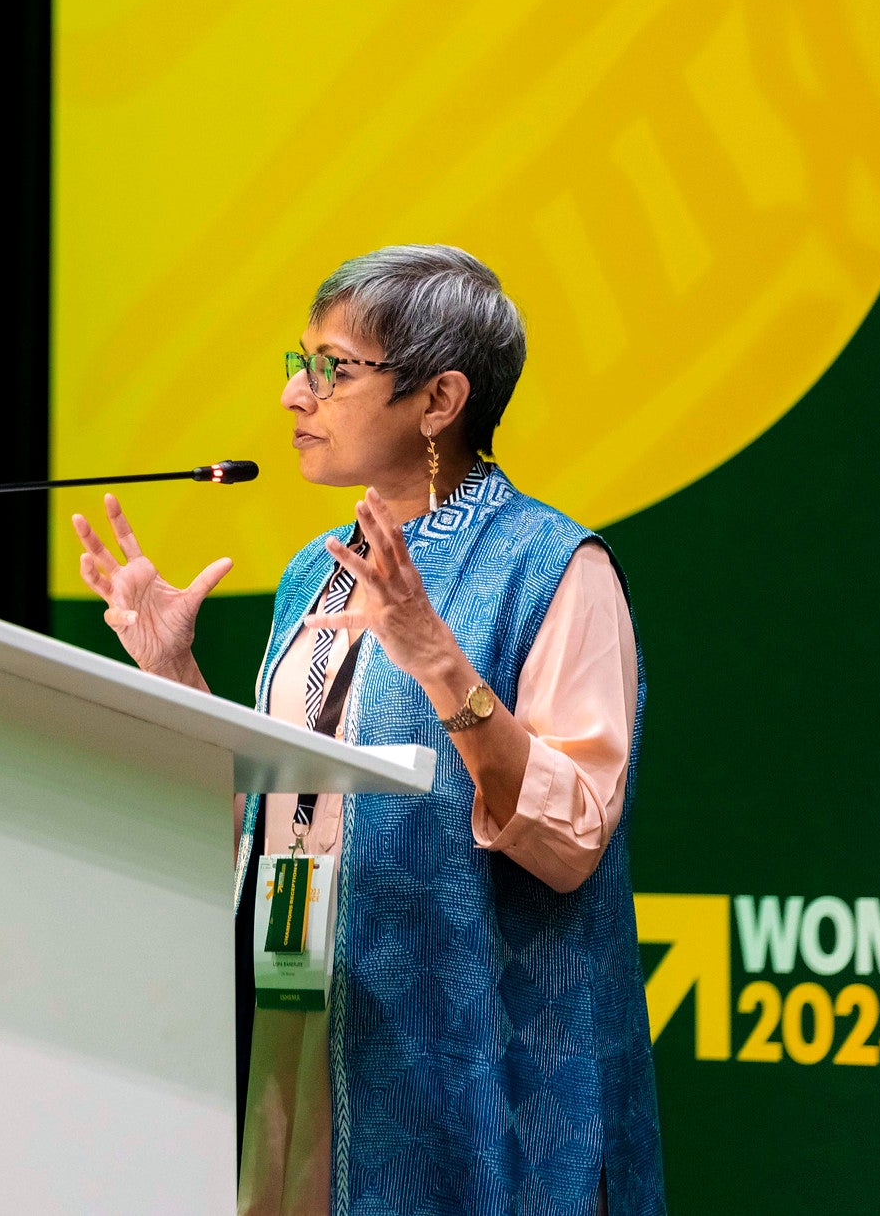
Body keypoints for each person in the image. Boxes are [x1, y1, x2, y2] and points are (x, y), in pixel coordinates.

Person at [71, 245, 662, 1216]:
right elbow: (280, 816)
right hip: (301, 1027)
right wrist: (172, 676)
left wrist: (437, 661)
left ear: (437, 401)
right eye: (295, 364)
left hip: (477, 1063)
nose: (293, 398)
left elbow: (570, 838)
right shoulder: (318, 571)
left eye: (331, 370)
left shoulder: (552, 569)